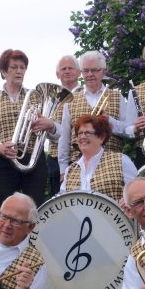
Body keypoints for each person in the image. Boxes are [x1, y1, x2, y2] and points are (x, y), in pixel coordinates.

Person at [0, 49, 57, 208]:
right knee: (6, 207)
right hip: (4, 161)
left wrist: (50, 125)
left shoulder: (38, 96)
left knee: (34, 208)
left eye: (22, 67)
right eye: (14, 67)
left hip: (34, 160)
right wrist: (0, 147)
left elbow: (57, 134)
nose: (19, 71)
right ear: (4, 71)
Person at [58, 50, 135, 174]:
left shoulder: (117, 97)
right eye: (86, 70)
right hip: (78, 165)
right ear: (81, 72)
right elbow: (64, 137)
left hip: (111, 165)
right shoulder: (71, 99)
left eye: (94, 70)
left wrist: (110, 121)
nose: (90, 74)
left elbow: (128, 131)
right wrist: (63, 169)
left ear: (104, 71)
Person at [59, 114, 137, 202]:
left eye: (88, 133)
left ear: (101, 138)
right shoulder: (70, 171)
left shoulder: (121, 161)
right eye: (80, 133)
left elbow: (138, 192)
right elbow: (63, 203)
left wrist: (127, 203)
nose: (83, 137)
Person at [46, 55, 81, 195]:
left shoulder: (85, 95)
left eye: (70, 68)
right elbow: (45, 133)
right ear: (57, 74)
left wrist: (52, 126)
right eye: (63, 69)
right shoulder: (50, 99)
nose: (67, 71)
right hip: (54, 158)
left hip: (80, 155)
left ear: (79, 72)